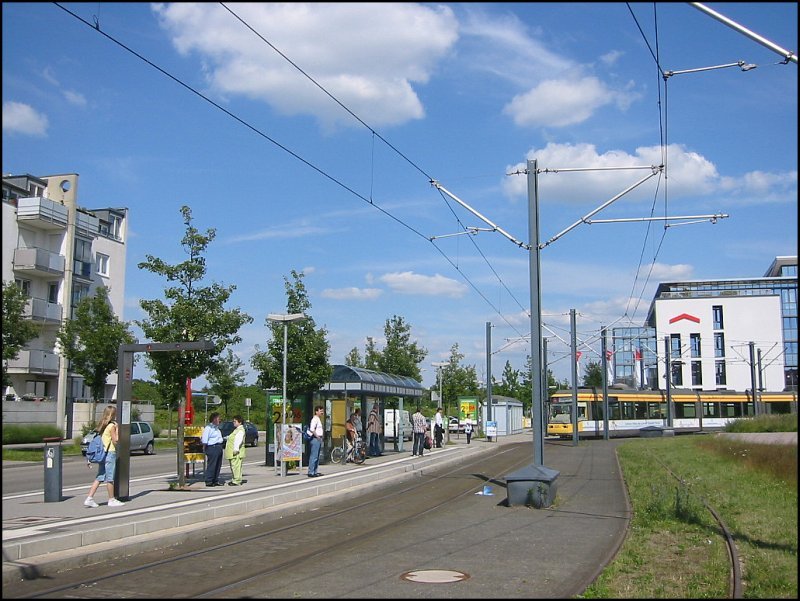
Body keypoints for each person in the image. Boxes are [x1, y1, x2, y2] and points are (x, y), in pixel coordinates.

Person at [84, 405, 125, 508]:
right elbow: (115, 440)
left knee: (100, 476)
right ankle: (111, 499)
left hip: (102, 454)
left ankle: (89, 498)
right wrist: (117, 429)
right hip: (110, 453)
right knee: (110, 478)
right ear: (113, 415)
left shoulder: (102, 425)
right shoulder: (112, 426)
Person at [201, 412, 224, 487]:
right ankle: (209, 480)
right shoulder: (209, 428)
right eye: (218, 418)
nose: (219, 420)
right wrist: (204, 447)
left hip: (218, 446)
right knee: (212, 465)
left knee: (218, 465)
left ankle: (215, 480)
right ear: (214, 419)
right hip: (212, 447)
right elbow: (205, 439)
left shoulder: (216, 428)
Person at [224, 415, 247, 486]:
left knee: (236, 466)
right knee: (234, 466)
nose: (233, 422)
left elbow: (238, 441)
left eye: (235, 421)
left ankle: (236, 480)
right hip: (233, 452)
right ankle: (235, 479)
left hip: (236, 453)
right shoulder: (237, 430)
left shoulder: (240, 430)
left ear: (240, 422)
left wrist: (236, 449)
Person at [307, 405, 324, 477]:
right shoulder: (315, 419)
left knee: (317, 456)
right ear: (316, 411)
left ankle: (315, 471)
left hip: (318, 439)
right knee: (314, 456)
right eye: (320, 411)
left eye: (322, 411)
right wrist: (317, 436)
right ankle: (311, 472)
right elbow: (312, 429)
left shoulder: (318, 419)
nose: (322, 412)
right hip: (315, 439)